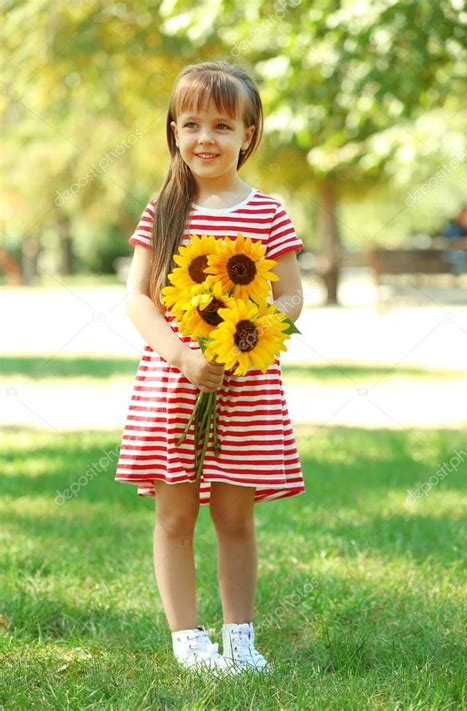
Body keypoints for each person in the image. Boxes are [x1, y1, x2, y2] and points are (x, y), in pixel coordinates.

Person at [114, 61, 305, 677]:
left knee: (234, 515)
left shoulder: (267, 212)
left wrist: (256, 329)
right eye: (191, 123)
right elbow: (138, 298)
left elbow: (293, 296)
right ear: (172, 129)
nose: (205, 138)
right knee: (174, 515)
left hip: (245, 384)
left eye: (223, 125)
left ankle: (240, 639)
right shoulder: (164, 208)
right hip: (175, 382)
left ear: (248, 134)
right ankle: (188, 642)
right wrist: (184, 356)